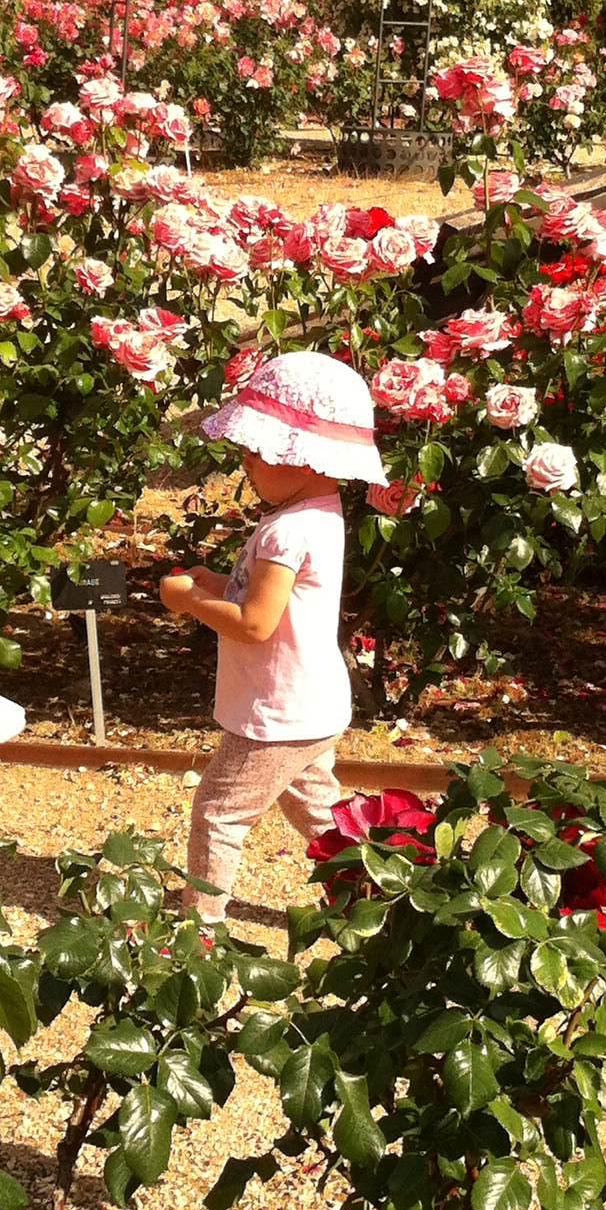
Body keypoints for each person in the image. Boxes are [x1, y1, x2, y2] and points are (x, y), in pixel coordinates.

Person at [159, 350, 386, 926]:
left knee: (219, 812)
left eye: (259, 452)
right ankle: (381, 899)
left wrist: (190, 600)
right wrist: (216, 583)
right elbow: (267, 602)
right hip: (310, 704)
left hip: (278, 712)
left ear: (302, 458)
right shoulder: (316, 511)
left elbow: (256, 624)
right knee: (319, 812)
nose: (246, 461)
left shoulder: (288, 529)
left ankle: (199, 928)